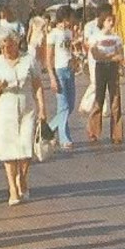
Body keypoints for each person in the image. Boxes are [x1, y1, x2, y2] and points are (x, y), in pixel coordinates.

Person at [0, 33, 47, 206]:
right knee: (9, 148)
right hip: (5, 106)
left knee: (26, 145)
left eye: (10, 45)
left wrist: (42, 108)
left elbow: (37, 85)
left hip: (26, 106)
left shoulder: (28, 60)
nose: (6, 49)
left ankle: (22, 177)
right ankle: (12, 187)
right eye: (2, 46)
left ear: (17, 43)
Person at [87, 7, 125, 145]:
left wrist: (110, 56)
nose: (111, 22)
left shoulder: (117, 38)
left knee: (115, 100)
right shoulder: (96, 37)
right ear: (103, 21)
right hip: (101, 68)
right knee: (99, 98)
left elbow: (121, 55)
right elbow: (95, 54)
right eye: (109, 20)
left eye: (112, 20)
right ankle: (93, 131)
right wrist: (111, 56)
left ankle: (117, 134)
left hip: (113, 69)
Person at [46, 10, 77, 149]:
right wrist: (52, 77)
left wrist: (74, 60)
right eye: (69, 18)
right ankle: (65, 139)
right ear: (64, 18)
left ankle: (48, 129)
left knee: (69, 106)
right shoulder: (53, 34)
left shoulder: (69, 33)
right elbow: (49, 58)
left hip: (69, 70)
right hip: (58, 71)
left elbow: (69, 51)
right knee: (63, 106)